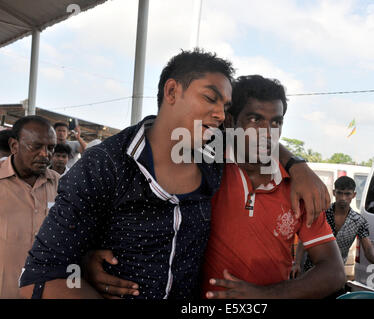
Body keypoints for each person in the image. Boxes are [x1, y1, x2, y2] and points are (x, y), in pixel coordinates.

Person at [20, 49, 330, 299]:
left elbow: (261, 140)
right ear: (171, 91)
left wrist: (298, 165)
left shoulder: (212, 160)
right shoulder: (107, 163)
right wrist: (82, 260)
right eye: (210, 99)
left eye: (225, 105)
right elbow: (40, 276)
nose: (220, 114)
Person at [85, 75, 345, 299]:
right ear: (230, 122)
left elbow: (333, 272)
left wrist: (264, 296)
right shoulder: (204, 165)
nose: (267, 132)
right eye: (255, 119)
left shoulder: (297, 187)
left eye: (276, 122)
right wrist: (88, 255)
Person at [0, 116, 59, 298]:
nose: (45, 154)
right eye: (36, 147)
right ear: (14, 146)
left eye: (50, 148)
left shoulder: (62, 186)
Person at [291, 176, 374, 284]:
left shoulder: (359, 221)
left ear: (354, 195)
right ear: (334, 193)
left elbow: (368, 247)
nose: (343, 198)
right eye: (340, 193)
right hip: (310, 270)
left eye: (347, 194)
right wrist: (296, 263)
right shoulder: (321, 214)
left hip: (335, 274)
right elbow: (304, 239)